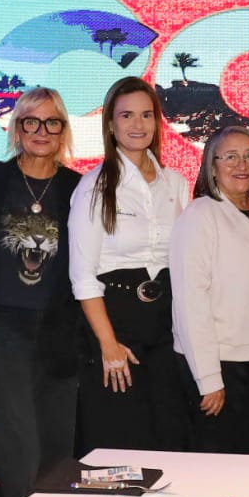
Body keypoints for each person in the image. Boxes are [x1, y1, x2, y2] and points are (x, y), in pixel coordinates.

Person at [0, 87, 83, 497]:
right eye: (31, 121)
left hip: (60, 331)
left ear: (63, 131)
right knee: (19, 449)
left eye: (52, 122)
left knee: (57, 446)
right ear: (16, 128)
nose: (42, 131)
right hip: (1, 330)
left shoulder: (80, 188)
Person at [68, 77, 191, 451]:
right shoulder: (94, 186)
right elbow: (82, 275)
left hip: (167, 325)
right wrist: (108, 345)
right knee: (121, 440)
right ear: (110, 124)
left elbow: (187, 260)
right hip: (116, 322)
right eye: (126, 115)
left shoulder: (175, 183)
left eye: (146, 115)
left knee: (170, 438)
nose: (138, 124)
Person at [170, 125, 249, 453]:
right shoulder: (199, 215)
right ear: (212, 166)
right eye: (230, 157)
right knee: (217, 464)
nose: (242, 165)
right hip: (219, 365)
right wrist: (208, 378)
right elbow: (191, 302)